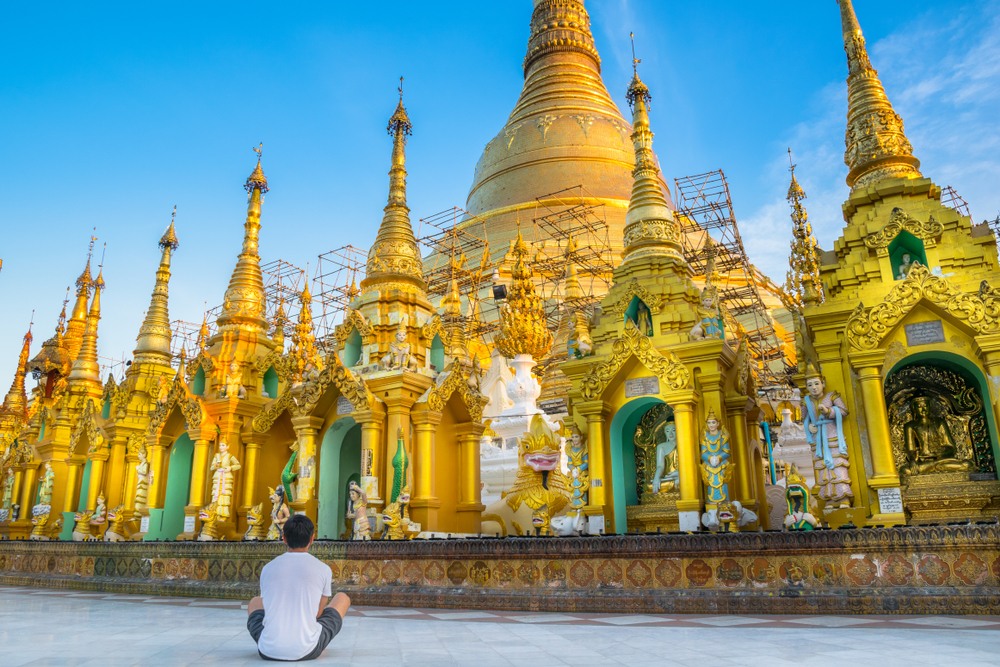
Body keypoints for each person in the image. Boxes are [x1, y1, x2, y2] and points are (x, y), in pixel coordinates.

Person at [247, 514, 351, 661]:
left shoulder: (268, 568)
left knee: (255, 601)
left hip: (267, 649)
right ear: (312, 538)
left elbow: (267, 606)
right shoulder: (323, 569)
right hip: (308, 649)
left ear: (284, 538)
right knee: (342, 598)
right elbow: (318, 613)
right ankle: (308, 635)